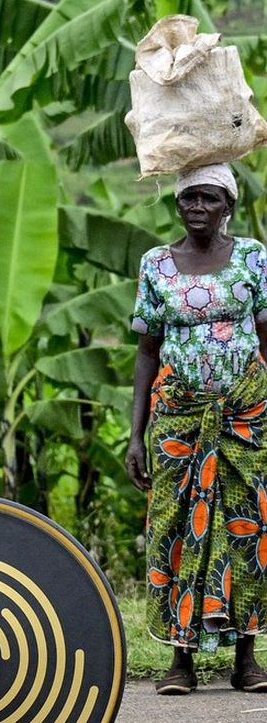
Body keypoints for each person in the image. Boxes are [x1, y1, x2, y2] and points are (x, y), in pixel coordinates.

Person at [126, 163, 267, 694]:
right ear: (177, 205)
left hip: (246, 417)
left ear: (228, 205)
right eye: (189, 199)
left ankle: (247, 659)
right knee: (173, 525)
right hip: (178, 416)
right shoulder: (157, 264)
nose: (198, 208)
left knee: (248, 526)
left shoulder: (253, 257)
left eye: (209, 198)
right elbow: (147, 350)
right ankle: (180, 660)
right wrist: (135, 434)